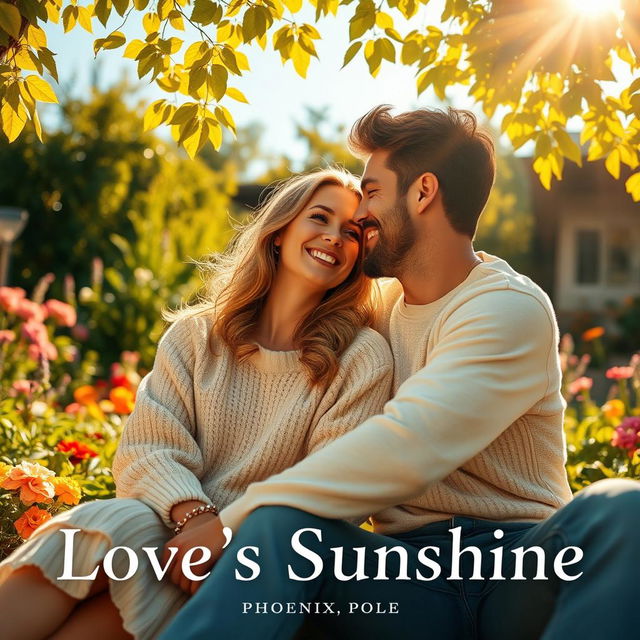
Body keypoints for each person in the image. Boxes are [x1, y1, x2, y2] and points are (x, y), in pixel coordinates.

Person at [160, 106, 640, 640]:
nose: (358, 213)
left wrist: (226, 526)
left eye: (371, 192)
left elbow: (409, 443)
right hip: (404, 578)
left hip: (518, 568)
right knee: (282, 525)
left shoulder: (506, 308)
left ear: (423, 192)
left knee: (624, 508)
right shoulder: (374, 310)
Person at [0, 168, 394, 640]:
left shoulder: (360, 357)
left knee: (143, 574)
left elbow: (334, 489)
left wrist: (222, 536)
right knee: (112, 522)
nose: (333, 237)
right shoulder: (196, 335)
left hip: (254, 559)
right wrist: (198, 520)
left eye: (351, 233)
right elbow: (146, 448)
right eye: (319, 218)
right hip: (171, 525)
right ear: (279, 232)